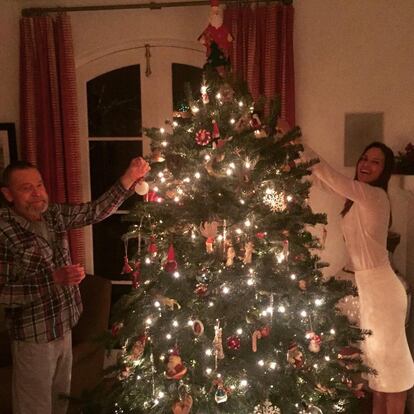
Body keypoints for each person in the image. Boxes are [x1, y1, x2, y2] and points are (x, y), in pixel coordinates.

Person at [0, 156, 150, 414]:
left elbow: (93, 211)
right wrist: (53, 279)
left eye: (39, 185)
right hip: (34, 337)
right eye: (26, 188)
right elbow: (4, 294)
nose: (37, 193)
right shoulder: (4, 232)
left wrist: (128, 178)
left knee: (60, 403)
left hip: (65, 326)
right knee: (34, 408)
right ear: (8, 194)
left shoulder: (53, 214)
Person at [304, 141, 414, 414]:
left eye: (375, 161)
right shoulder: (357, 198)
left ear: (385, 170)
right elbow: (323, 182)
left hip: (383, 291)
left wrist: (297, 140)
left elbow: (328, 174)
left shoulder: (373, 196)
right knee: (376, 373)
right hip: (369, 290)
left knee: (393, 375)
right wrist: (293, 161)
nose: (366, 164)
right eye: (364, 158)